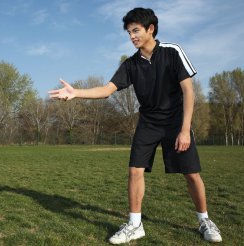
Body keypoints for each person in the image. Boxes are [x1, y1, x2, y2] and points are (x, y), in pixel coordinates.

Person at [48, 7, 222, 245]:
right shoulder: (130, 64)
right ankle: (134, 224)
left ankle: (204, 220)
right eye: (129, 32)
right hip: (148, 122)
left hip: (175, 121)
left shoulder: (172, 52)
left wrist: (184, 129)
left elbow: (188, 91)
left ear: (151, 29)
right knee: (134, 171)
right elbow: (107, 90)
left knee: (191, 173)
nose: (132, 36)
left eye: (136, 30)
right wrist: (76, 92)